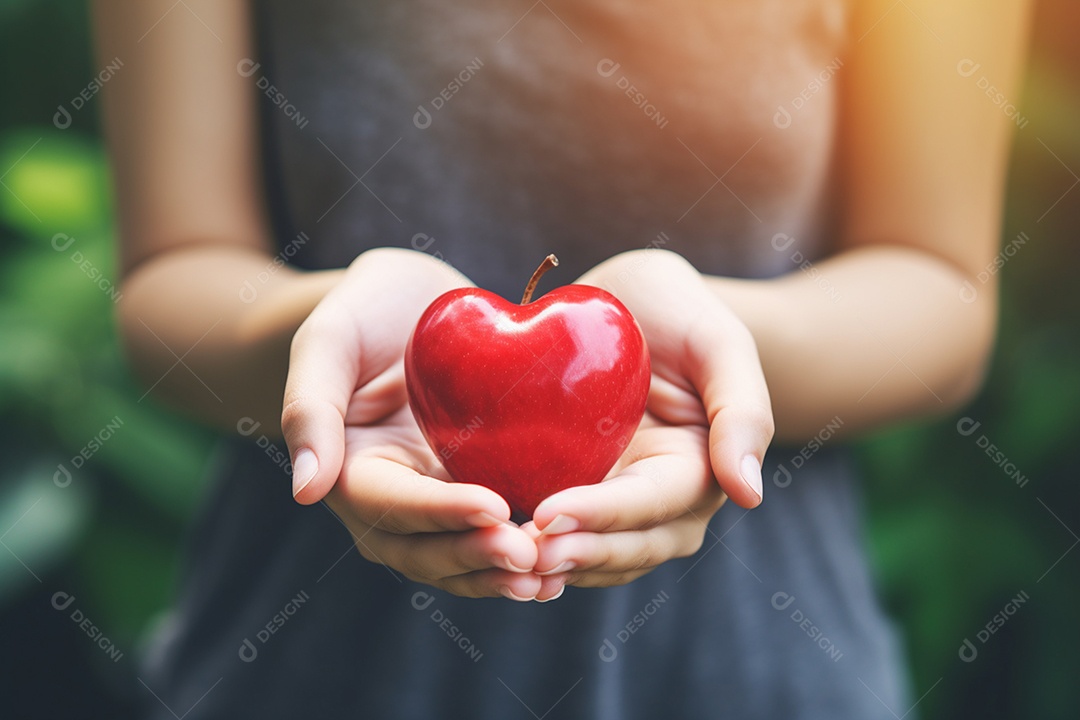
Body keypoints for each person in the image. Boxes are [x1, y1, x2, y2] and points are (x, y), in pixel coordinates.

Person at [95, 0, 1030, 717]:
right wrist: (316, 337)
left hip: (750, 668)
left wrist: (718, 350)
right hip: (307, 661)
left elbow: (939, 288)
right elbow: (169, 279)